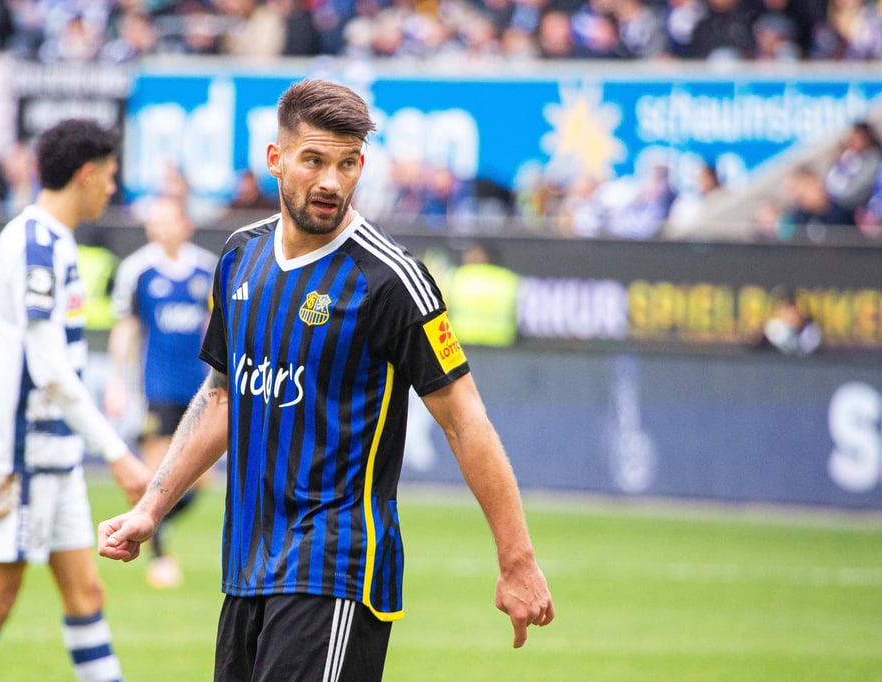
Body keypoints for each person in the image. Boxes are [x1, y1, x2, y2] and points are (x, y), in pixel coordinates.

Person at [98, 78, 554, 681]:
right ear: (276, 160)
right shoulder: (239, 258)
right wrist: (153, 507)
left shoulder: (392, 280)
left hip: (336, 569)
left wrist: (516, 559)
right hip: (247, 566)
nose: (331, 181)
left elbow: (464, 419)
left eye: (348, 163)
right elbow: (222, 398)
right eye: (313, 160)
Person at [0, 118, 150, 682]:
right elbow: (50, 371)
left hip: (53, 457)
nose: (112, 189)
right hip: (21, 458)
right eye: (108, 177)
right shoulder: (36, 244)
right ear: (85, 175)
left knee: (86, 592)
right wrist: (117, 451)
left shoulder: (53, 241)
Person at [103, 193, 219, 589]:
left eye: (168, 219)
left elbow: (216, 329)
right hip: (156, 389)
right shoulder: (138, 271)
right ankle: (160, 556)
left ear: (185, 224)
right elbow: (127, 327)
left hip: (201, 389)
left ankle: (148, 525)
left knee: (201, 479)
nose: (160, 227)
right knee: (158, 474)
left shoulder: (208, 269)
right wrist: (118, 380)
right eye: (155, 220)